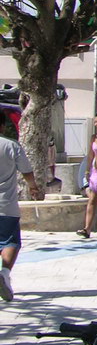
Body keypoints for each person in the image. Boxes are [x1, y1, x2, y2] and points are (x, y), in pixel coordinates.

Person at [0, 128, 39, 301]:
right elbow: (27, 171)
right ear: (2, 126)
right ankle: (5, 272)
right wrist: (33, 187)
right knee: (11, 241)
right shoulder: (11, 145)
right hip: (6, 204)